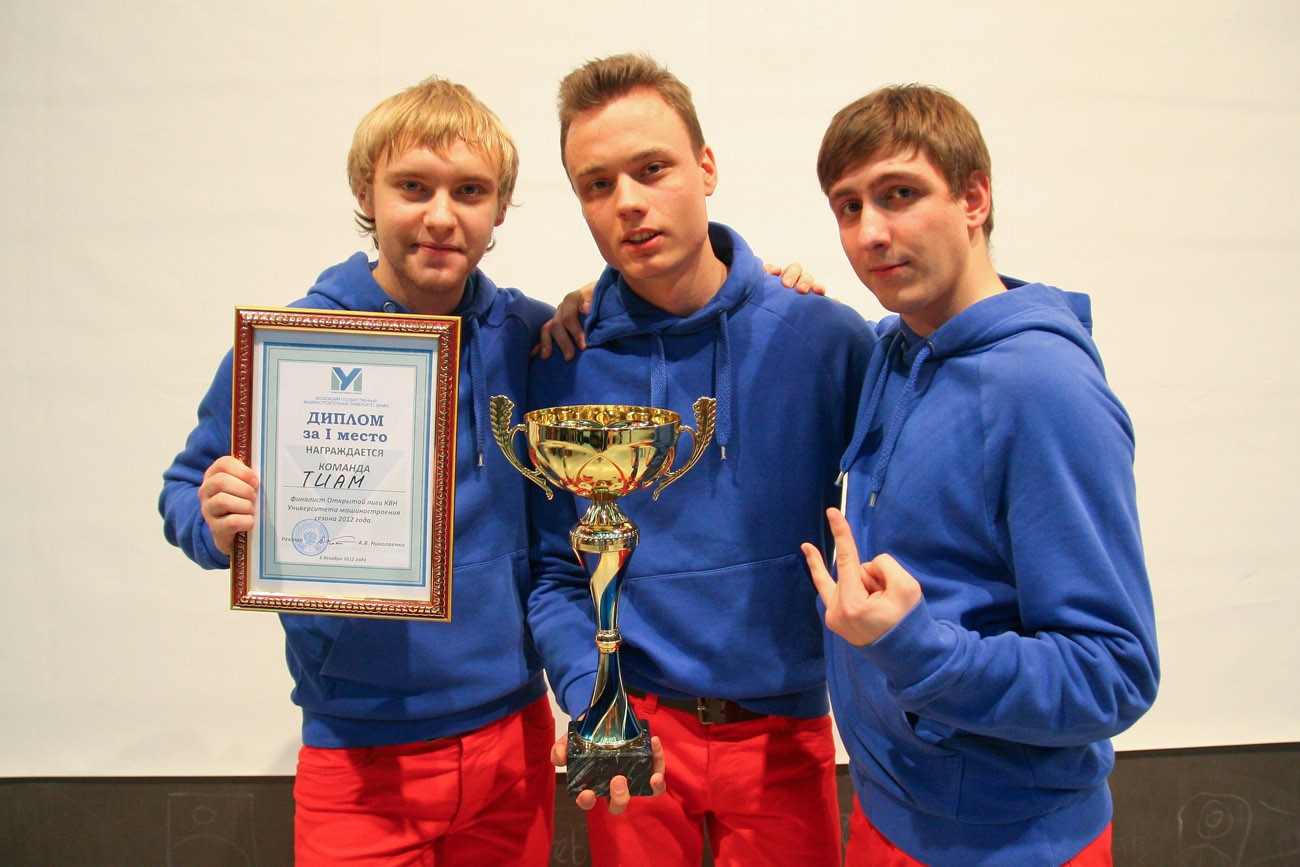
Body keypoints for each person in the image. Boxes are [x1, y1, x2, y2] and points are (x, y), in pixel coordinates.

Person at [159, 77, 562, 866]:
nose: (441, 215)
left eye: (469, 191)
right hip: (358, 753)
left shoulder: (531, 336)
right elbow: (185, 487)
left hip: (512, 741)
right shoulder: (293, 345)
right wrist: (210, 519)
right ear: (364, 193)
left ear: (500, 210)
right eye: (413, 187)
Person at [526, 53, 875, 867]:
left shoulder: (823, 339)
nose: (629, 202)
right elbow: (553, 571)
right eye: (597, 184)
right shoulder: (561, 362)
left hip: (785, 732)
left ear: (706, 167)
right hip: (635, 734)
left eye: (652, 169)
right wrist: (591, 697)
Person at [801, 84, 1160, 866]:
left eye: (899, 194)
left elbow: (1116, 672)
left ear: (973, 198)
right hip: (888, 810)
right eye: (848, 206)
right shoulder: (896, 351)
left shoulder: (1044, 390)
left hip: (1008, 844)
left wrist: (919, 650)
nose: (871, 232)